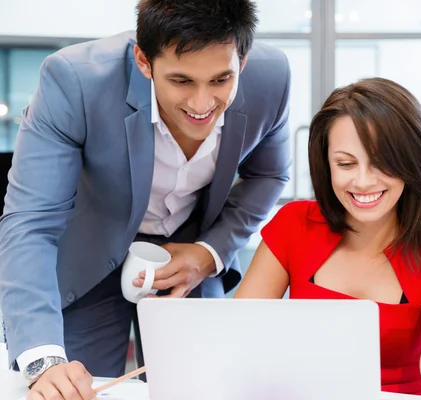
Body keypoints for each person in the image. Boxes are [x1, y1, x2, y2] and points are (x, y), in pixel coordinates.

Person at [0, 0, 291, 398]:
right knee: (68, 390)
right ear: (143, 60)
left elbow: (269, 175)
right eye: (182, 81)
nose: (202, 104)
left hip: (189, 258)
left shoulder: (272, 78)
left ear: (243, 59)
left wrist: (210, 252)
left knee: (201, 389)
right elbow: (31, 220)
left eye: (221, 80)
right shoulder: (74, 80)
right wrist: (43, 361)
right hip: (89, 261)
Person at [234, 77, 421, 398]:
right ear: (326, 164)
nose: (363, 181)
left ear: (411, 162)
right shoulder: (296, 224)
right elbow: (240, 342)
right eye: (346, 163)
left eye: (381, 163)